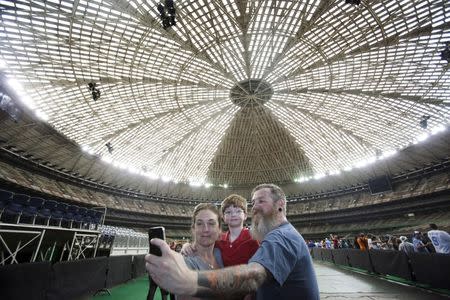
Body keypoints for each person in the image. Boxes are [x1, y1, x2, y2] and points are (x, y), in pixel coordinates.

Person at [145, 183, 320, 300]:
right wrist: (187, 246)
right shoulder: (279, 234)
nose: (255, 206)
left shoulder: (281, 237)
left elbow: (255, 275)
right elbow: (207, 241)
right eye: (253, 202)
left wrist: (189, 280)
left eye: (261, 201)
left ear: (280, 204)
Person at [182, 194, 259, 267]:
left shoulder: (253, 237)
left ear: (245, 215)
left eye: (238, 211)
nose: (233, 215)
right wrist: (187, 246)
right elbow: (203, 243)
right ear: (223, 217)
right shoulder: (219, 239)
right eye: (228, 212)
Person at [178, 203, 224, 300]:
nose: (205, 229)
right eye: (199, 223)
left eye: (211, 223)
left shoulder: (220, 253)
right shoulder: (186, 262)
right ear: (193, 229)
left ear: (219, 229)